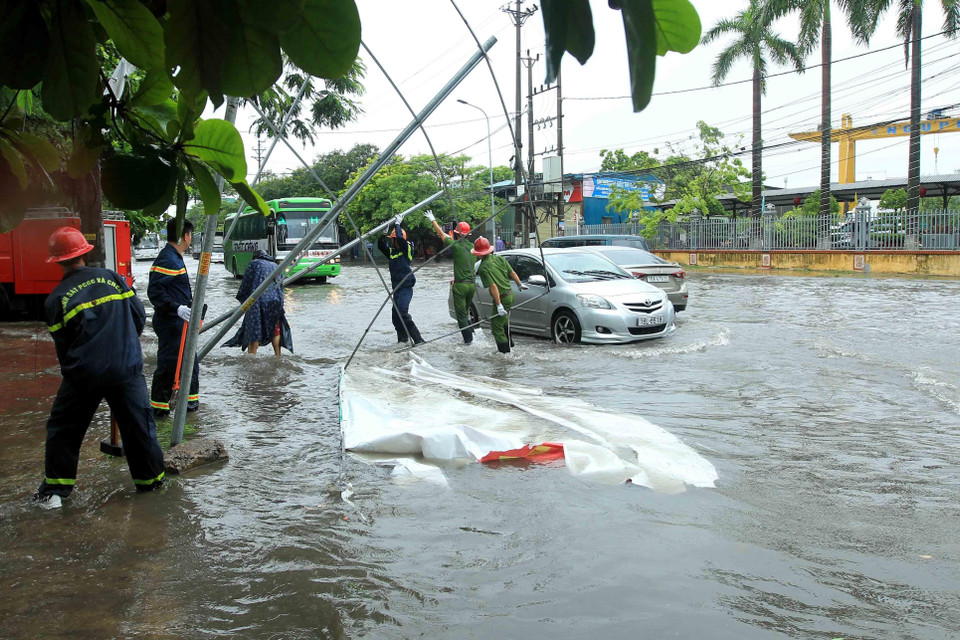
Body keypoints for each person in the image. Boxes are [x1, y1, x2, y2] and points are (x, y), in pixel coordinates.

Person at [34, 227, 166, 509]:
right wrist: (124, 345)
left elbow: (64, 349)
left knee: (63, 428)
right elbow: (139, 316)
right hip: (126, 366)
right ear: (84, 253)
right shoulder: (113, 278)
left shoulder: (56, 299)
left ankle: (54, 494)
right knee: (140, 427)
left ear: (57, 260)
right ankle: (151, 484)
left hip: (84, 373)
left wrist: (79, 369)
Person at [147, 219, 199, 417]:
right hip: (171, 322)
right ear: (185, 236)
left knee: (188, 364)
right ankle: (159, 410)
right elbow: (155, 293)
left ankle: (190, 407)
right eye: (190, 235)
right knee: (170, 365)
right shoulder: (168, 259)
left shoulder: (174, 257)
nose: (190, 238)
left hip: (179, 323)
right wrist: (176, 308)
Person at [223, 250, 293, 356]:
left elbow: (246, 284)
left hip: (257, 302)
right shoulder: (275, 265)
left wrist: (243, 301)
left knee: (254, 330)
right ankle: (278, 355)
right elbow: (280, 285)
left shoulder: (254, 264)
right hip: (275, 302)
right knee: (275, 329)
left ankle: (252, 357)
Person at [424, 210, 476, 344]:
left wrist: (433, 220)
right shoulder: (473, 248)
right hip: (472, 285)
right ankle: (473, 335)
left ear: (457, 234)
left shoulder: (457, 246)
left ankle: (469, 342)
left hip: (461, 286)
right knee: (466, 312)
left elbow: (441, 235)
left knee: (461, 316)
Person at [472, 236, 527, 354]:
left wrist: (498, 304)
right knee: (503, 320)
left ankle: (505, 353)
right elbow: (512, 273)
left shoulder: (483, 268)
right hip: (510, 294)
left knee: (496, 327)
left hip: (501, 298)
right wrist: (519, 284)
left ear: (479, 253)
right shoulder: (500, 259)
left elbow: (493, 287)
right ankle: (509, 343)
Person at [377, 218, 424, 345]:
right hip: (396, 287)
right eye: (394, 240)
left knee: (403, 312)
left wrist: (397, 224)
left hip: (405, 286)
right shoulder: (392, 253)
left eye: (396, 239)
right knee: (396, 317)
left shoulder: (406, 248)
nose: (395, 241)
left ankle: (419, 340)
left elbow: (402, 241)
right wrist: (383, 234)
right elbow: (381, 246)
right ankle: (402, 340)